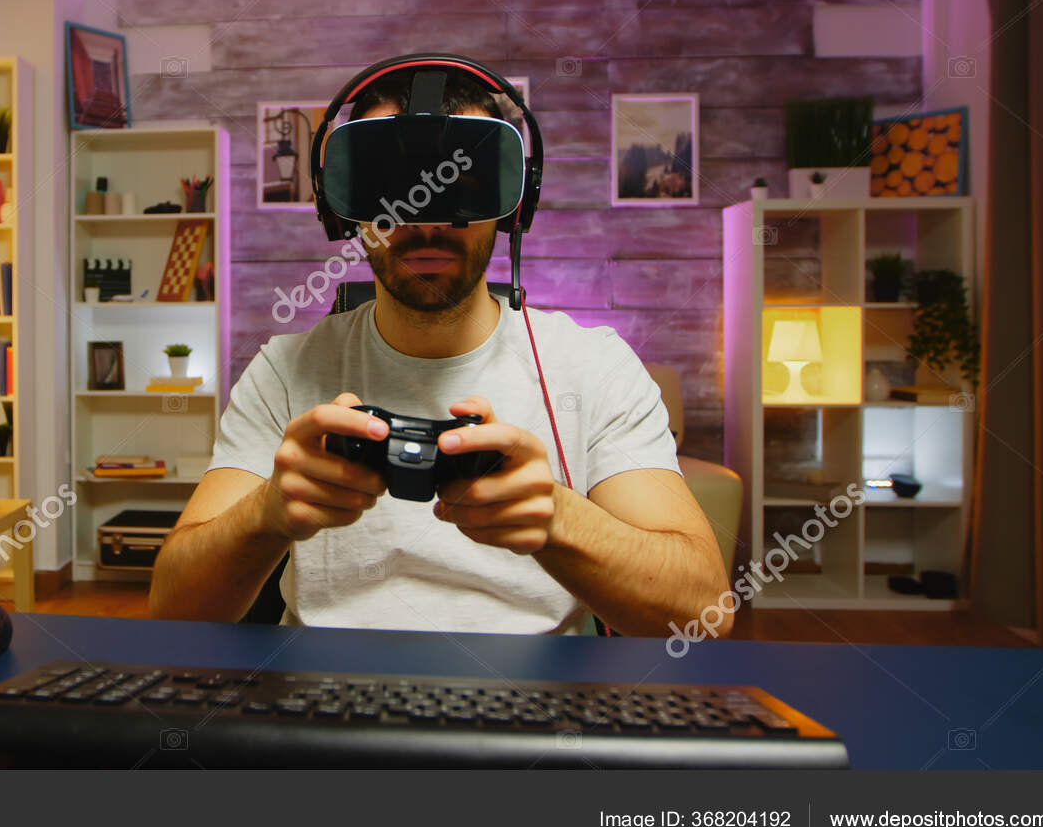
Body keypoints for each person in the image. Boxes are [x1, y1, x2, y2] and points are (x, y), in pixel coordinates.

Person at [148, 70, 729, 636]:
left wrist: (557, 518)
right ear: (341, 206)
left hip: (537, 701)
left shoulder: (593, 367)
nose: (423, 221)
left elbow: (705, 615)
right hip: (325, 696)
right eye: (392, 188)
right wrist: (264, 515)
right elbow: (173, 614)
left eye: (459, 181)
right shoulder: (284, 371)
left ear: (512, 205)